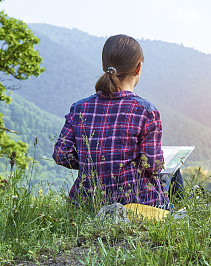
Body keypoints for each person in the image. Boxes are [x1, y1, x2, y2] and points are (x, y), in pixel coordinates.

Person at [53, 34, 175, 207]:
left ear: (104, 66)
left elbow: (61, 155)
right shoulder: (145, 111)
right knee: (176, 175)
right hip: (137, 204)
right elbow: (153, 165)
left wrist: (94, 164)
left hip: (87, 203)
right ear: (138, 68)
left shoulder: (79, 108)